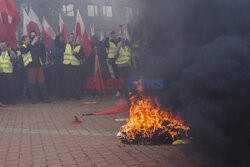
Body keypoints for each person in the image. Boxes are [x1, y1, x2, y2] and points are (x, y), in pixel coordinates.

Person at [20, 31, 51, 104]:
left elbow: (42, 48)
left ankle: (44, 97)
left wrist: (38, 41)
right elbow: (26, 50)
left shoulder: (33, 45)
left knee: (42, 83)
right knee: (32, 84)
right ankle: (34, 98)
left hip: (38, 66)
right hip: (30, 67)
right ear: (23, 41)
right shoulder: (22, 47)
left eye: (29, 40)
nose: (29, 41)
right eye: (27, 40)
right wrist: (33, 42)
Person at [63, 33, 85, 100]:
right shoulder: (66, 45)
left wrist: (75, 54)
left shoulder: (79, 46)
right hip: (67, 65)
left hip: (75, 66)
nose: (71, 38)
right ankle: (68, 95)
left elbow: (82, 56)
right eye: (70, 37)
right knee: (67, 81)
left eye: (72, 37)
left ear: (75, 38)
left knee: (76, 81)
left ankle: (77, 95)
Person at [104, 31, 122, 96]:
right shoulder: (109, 41)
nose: (113, 35)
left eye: (114, 34)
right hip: (112, 60)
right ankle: (118, 90)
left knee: (120, 76)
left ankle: (122, 90)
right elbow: (105, 44)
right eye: (112, 34)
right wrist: (107, 36)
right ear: (111, 35)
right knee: (115, 76)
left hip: (120, 60)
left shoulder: (119, 41)